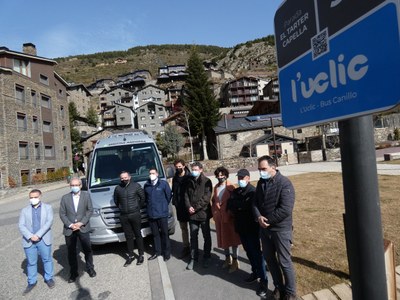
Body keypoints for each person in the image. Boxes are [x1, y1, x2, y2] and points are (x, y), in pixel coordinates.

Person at [253, 155, 297, 300]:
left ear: (273, 167)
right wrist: (259, 217)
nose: (261, 172)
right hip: (265, 230)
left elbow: (285, 209)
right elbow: (255, 203)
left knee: (284, 262)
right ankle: (279, 287)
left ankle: (290, 293)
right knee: (270, 260)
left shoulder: (285, 183)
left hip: (280, 229)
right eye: (259, 169)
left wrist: (268, 220)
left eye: (263, 169)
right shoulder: (261, 183)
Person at [227, 169, 268, 297]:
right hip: (241, 227)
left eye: (242, 178)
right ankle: (254, 272)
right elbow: (231, 205)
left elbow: (250, 207)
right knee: (249, 252)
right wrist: (239, 206)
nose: (240, 180)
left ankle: (263, 280)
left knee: (257, 253)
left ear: (248, 178)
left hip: (251, 228)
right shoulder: (236, 191)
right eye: (238, 178)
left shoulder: (253, 192)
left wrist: (239, 206)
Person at [18, 189, 55, 295]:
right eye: (31, 197)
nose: (33, 199)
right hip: (29, 240)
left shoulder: (48, 208)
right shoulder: (24, 210)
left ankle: (48, 278)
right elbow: (21, 225)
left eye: (35, 197)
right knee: (31, 262)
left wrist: (38, 235)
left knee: (47, 259)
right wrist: (30, 236)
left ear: (40, 196)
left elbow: (49, 222)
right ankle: (32, 281)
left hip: (43, 238)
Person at [60, 177, 96, 283]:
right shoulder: (65, 198)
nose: (74, 187)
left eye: (76, 185)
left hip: (83, 227)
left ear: (80, 185)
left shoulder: (86, 195)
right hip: (70, 229)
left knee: (87, 249)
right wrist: (71, 225)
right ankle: (73, 273)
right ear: (70, 186)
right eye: (72, 185)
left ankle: (90, 268)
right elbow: (62, 214)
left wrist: (81, 223)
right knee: (71, 252)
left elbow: (90, 210)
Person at [211, 166, 241, 273]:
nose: (220, 177)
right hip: (219, 218)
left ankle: (235, 261)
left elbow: (235, 203)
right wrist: (214, 212)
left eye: (222, 175)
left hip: (229, 218)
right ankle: (227, 258)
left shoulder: (231, 187)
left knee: (233, 240)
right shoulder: (216, 187)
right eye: (218, 175)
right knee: (223, 239)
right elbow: (214, 201)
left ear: (226, 175)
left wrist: (231, 213)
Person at [114, 171, 146, 267]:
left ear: (129, 177)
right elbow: (116, 201)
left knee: (138, 234)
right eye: (122, 178)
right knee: (128, 236)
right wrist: (122, 209)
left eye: (125, 177)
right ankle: (131, 255)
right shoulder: (118, 188)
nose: (124, 179)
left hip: (135, 214)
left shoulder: (136, 186)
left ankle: (141, 255)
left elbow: (143, 198)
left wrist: (137, 207)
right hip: (124, 216)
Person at [184, 161, 212, 270]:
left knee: (206, 236)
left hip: (203, 214)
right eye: (193, 170)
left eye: (196, 170)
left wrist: (195, 208)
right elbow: (186, 195)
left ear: (201, 170)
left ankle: (207, 256)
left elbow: (206, 198)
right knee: (193, 237)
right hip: (192, 215)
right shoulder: (189, 181)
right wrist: (188, 206)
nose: (194, 171)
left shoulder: (207, 182)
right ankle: (193, 258)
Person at [144, 168, 172, 261]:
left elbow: (168, 196)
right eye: (150, 173)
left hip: (162, 214)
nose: (151, 174)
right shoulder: (147, 185)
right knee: (155, 235)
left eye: (153, 173)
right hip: (152, 214)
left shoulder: (163, 184)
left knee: (165, 234)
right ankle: (157, 252)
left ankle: (166, 253)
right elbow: (145, 199)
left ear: (157, 174)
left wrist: (163, 206)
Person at [171, 159, 191, 259]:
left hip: (190, 207)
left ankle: (194, 248)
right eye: (176, 167)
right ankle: (186, 247)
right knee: (183, 229)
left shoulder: (190, 177)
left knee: (192, 229)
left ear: (184, 166)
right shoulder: (175, 178)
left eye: (180, 166)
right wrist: (175, 202)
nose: (178, 168)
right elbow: (173, 191)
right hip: (180, 207)